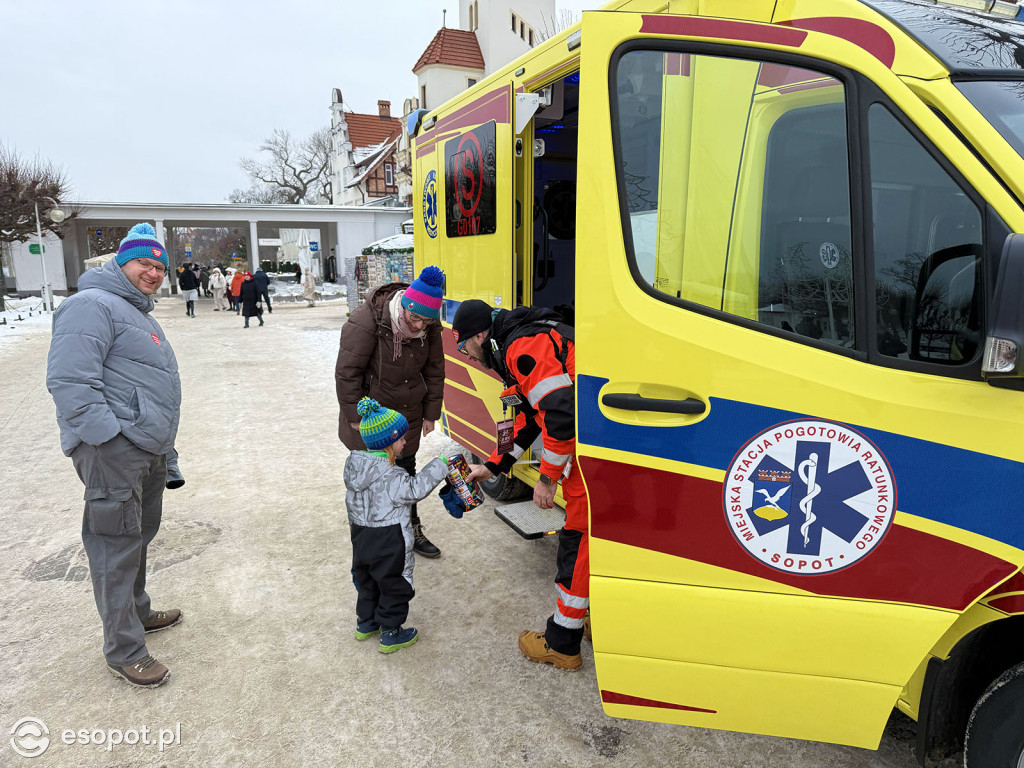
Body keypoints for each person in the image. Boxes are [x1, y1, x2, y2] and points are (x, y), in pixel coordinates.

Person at [45, 222, 183, 688]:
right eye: (145, 263)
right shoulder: (89, 306)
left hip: (145, 450)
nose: (154, 272)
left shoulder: (136, 312)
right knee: (114, 547)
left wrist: (164, 445)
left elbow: (145, 387)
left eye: (160, 266)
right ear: (121, 262)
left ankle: (137, 613)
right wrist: (108, 441)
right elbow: (71, 382)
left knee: (137, 537)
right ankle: (124, 649)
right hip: (115, 452)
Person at [455, 299, 586, 671]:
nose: (468, 356)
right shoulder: (518, 340)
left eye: (465, 347)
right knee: (585, 543)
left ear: (480, 335)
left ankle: (562, 641)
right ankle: (587, 615)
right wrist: (494, 466)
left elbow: (561, 415)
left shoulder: (521, 347)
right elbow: (531, 419)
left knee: (576, 544)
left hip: (589, 461)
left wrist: (546, 479)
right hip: (594, 451)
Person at [336, 266, 446, 558]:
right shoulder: (367, 321)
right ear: (406, 305)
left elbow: (435, 370)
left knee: (405, 473)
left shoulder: (429, 327)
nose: (420, 325)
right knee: (371, 477)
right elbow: (347, 374)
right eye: (415, 317)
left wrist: (431, 412)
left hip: (408, 411)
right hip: (371, 416)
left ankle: (411, 528)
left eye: (426, 320)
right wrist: (357, 419)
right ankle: (367, 533)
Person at [345, 398, 451, 653]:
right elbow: (415, 489)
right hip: (389, 538)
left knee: (367, 578)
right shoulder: (392, 475)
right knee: (393, 582)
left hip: (361, 536)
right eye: (401, 439)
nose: (405, 442)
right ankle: (391, 632)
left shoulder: (355, 467)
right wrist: (440, 466)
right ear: (388, 443)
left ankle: (366, 622)